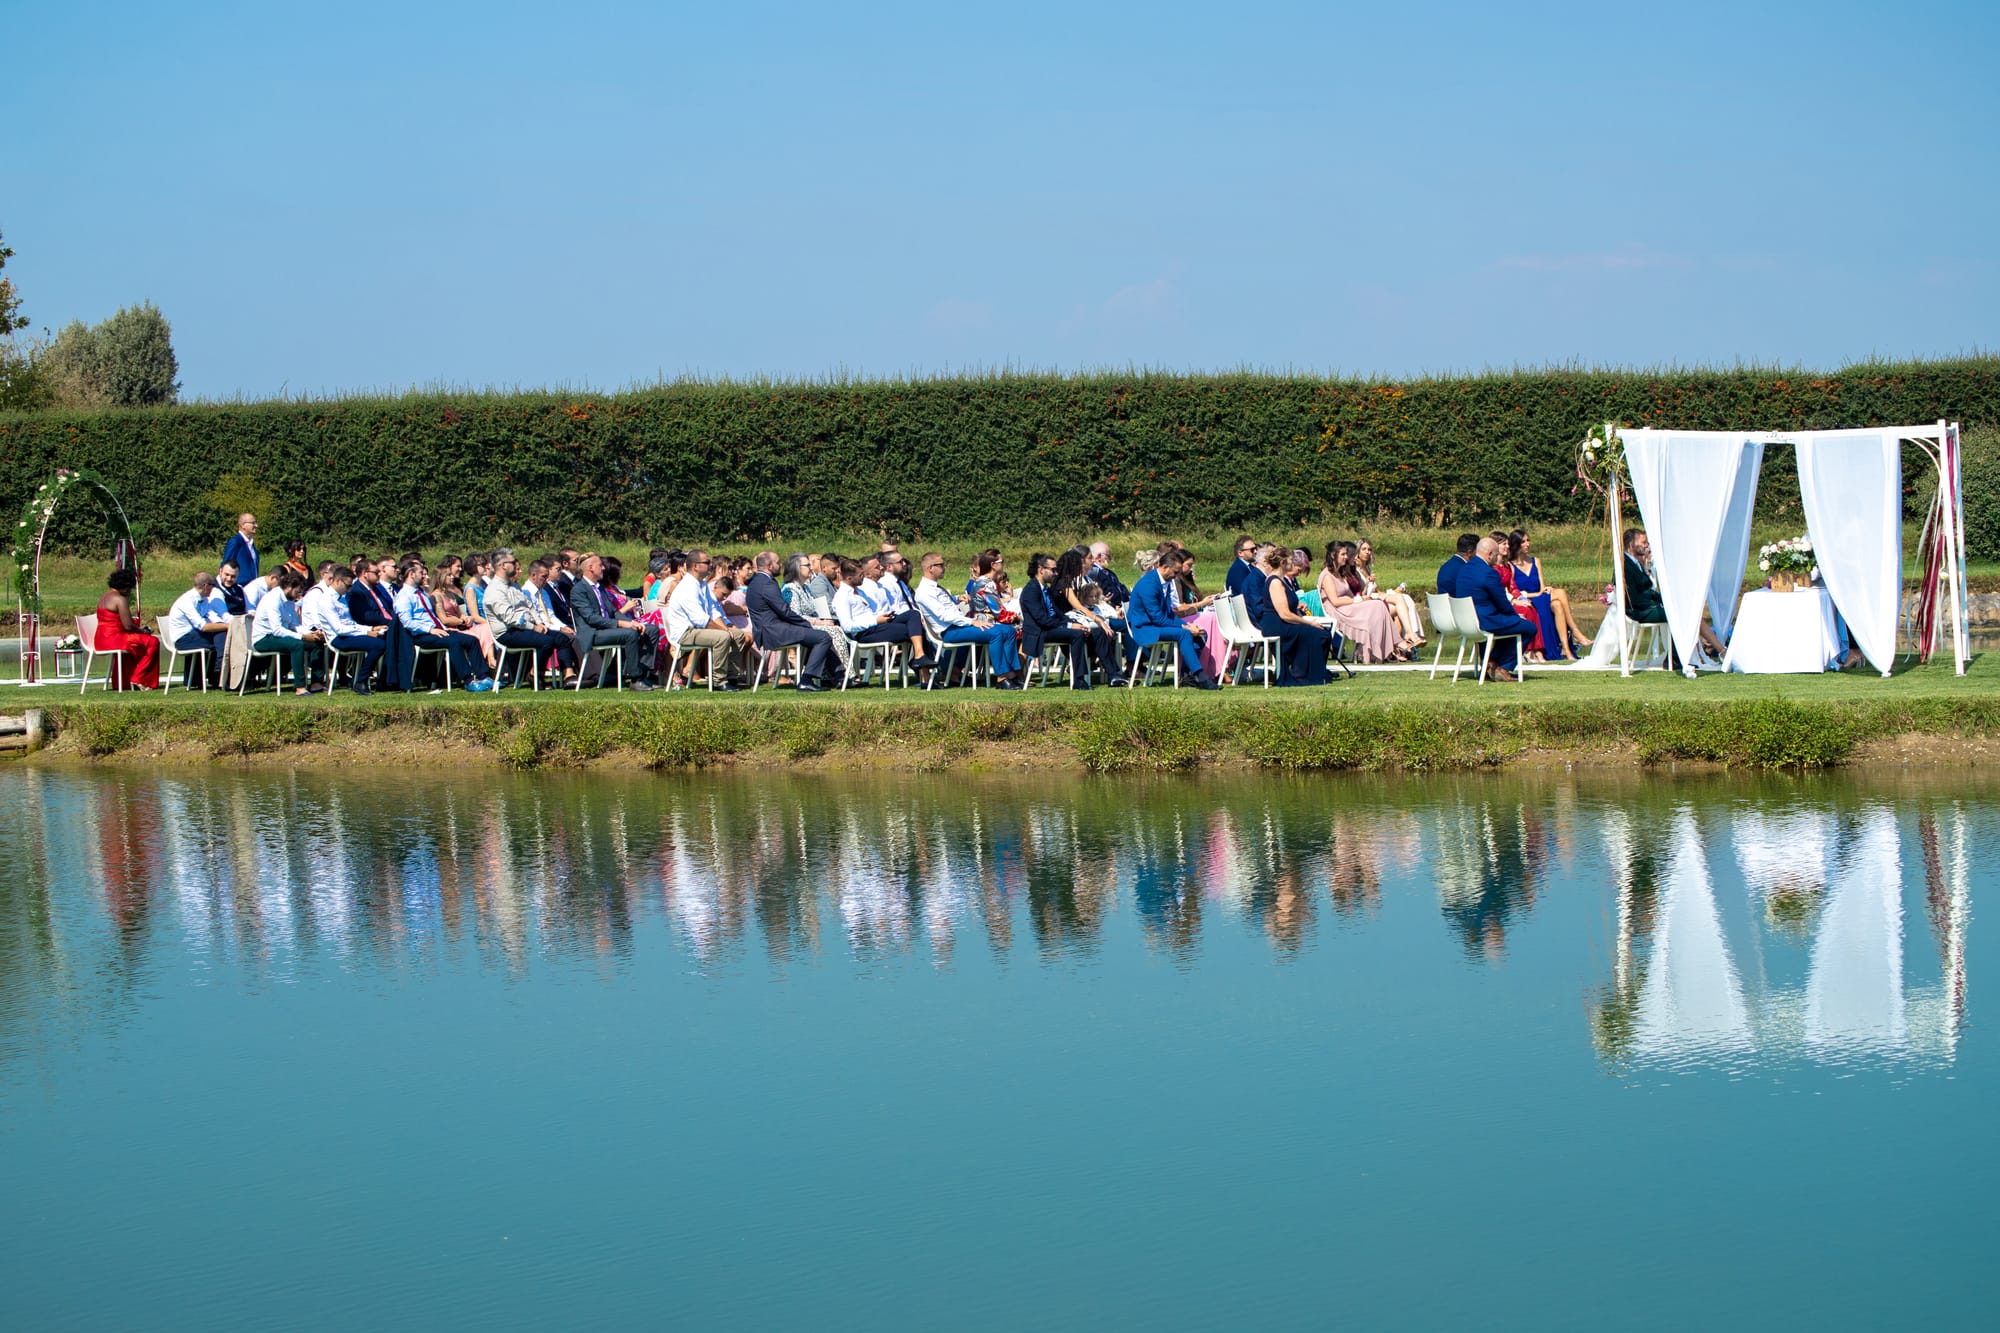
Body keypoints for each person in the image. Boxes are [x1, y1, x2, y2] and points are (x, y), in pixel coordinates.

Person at [914, 552, 1024, 688]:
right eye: (941, 565)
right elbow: (944, 616)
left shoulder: (933, 587)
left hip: (958, 626)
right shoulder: (925, 591)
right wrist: (971, 621)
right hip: (949, 630)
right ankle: (1001, 678)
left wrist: (956, 598)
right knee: (996, 633)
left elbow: (943, 605)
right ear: (930, 568)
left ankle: (1012, 674)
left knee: (1009, 630)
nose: (944, 567)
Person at [394, 560, 494, 691]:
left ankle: (484, 677)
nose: (424, 575)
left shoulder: (421, 593)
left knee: (472, 640)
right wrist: (430, 630)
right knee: (453, 643)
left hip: (439, 630)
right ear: (412, 574)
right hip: (422, 634)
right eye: (421, 573)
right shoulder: (403, 597)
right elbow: (407, 622)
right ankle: (468, 680)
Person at [1128, 548, 1219, 687]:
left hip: (1155, 625)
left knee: (1200, 633)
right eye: (1175, 572)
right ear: (1165, 567)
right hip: (1145, 628)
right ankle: (1200, 676)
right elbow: (1158, 618)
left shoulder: (1164, 582)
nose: (1177, 575)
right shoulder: (1148, 585)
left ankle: (1187, 675)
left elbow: (1169, 614)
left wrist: (1188, 626)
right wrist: (1184, 627)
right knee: (1184, 633)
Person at [744, 551, 835, 690]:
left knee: (817, 636)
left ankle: (832, 676)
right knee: (823, 637)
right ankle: (806, 680)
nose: (780, 565)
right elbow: (784, 611)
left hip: (770, 630)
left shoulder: (756, 581)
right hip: (774, 631)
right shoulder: (767, 584)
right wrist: (806, 624)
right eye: (778, 563)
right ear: (769, 566)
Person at [832, 557, 934, 680]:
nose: (864, 577)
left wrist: (882, 617)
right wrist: (875, 621)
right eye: (860, 575)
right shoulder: (842, 596)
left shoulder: (859, 592)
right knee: (914, 629)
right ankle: (923, 673)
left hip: (877, 624)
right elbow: (847, 626)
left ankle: (919, 656)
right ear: (849, 578)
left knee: (913, 615)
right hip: (865, 633)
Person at [486, 555, 581, 686]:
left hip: (522, 628)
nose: (517, 566)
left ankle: (569, 676)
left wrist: (539, 623)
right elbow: (510, 618)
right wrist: (533, 627)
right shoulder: (494, 590)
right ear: (503, 565)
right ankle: (535, 675)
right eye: (513, 562)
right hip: (507, 632)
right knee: (546, 642)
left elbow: (529, 606)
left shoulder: (513, 585)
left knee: (561, 638)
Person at [572, 552, 659, 689]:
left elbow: (613, 612)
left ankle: (644, 675)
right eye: (600, 565)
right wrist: (622, 624)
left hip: (608, 628)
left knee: (651, 630)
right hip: (594, 632)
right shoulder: (578, 590)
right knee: (630, 634)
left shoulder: (599, 588)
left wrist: (633, 623)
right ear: (590, 568)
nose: (603, 568)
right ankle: (635, 679)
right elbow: (591, 618)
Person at [664, 550, 748, 688]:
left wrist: (726, 628)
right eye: (707, 562)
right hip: (685, 633)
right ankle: (719, 680)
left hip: (697, 629)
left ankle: (732, 676)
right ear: (696, 566)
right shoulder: (687, 587)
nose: (711, 565)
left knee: (738, 635)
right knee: (722, 637)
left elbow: (713, 611)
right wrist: (723, 631)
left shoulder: (701, 584)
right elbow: (700, 619)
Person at [1249, 544, 1331, 686]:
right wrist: (1309, 622)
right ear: (1283, 563)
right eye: (1291, 561)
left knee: (1322, 633)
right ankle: (1303, 673)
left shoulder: (1282, 580)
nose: (1293, 564)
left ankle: (1308, 670)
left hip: (1283, 623)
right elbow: (1284, 614)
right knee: (1316, 634)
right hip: (1277, 625)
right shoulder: (1275, 582)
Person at [1461, 538, 1539, 682]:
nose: (1498, 558)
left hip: (1466, 621)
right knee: (1529, 627)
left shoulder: (1464, 569)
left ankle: (1492, 662)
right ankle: (1504, 667)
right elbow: (1502, 602)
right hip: (1485, 620)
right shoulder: (1489, 573)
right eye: (1496, 554)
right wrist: (1516, 617)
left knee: (1510, 626)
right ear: (1489, 554)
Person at [1016, 553, 1096, 689]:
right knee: (1076, 635)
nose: (1056, 573)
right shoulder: (1031, 590)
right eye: (1053, 570)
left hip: (1051, 628)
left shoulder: (1045, 589)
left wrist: (1077, 624)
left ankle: (1098, 672)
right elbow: (1042, 620)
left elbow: (1058, 613)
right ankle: (1079, 679)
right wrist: (1069, 626)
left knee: (1089, 632)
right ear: (1041, 570)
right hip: (1039, 632)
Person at [1508, 529, 1589, 661]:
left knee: (1557, 604)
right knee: (1560, 592)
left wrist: (1544, 591)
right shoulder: (1510, 566)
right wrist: (1537, 594)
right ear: (1516, 544)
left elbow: (1542, 586)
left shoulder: (1535, 561)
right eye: (1523, 542)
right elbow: (1513, 591)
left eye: (1528, 540)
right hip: (1527, 600)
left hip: (1540, 596)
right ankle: (1575, 631)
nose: (1528, 544)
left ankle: (1566, 649)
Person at [306, 565, 387, 694]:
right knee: (379, 645)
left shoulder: (342, 598)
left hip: (347, 635)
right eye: (348, 586)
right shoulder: (326, 601)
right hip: (338, 639)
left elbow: (351, 623)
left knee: (383, 638)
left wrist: (371, 628)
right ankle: (361, 681)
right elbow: (339, 629)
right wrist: (367, 632)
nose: (349, 589)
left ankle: (373, 680)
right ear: (338, 581)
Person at [1318, 541, 1402, 663]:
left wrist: (1363, 597)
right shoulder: (1327, 575)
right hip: (1338, 611)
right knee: (1376, 606)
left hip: (1348, 606)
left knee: (1378, 604)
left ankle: (1381, 650)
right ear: (1333, 555)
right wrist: (1357, 600)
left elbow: (1351, 595)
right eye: (1343, 554)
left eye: (1346, 554)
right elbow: (1335, 601)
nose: (1346, 557)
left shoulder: (1339, 573)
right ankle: (1383, 649)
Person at [1053, 546, 1124, 685]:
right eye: (1089, 558)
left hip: (1078, 620)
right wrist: (1100, 620)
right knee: (1102, 632)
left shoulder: (1079, 580)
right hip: (1067, 623)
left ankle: (1113, 674)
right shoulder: (1064, 582)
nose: (1092, 561)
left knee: (1103, 633)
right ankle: (1113, 673)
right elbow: (1077, 606)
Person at [250, 568, 325, 695]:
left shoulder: (289, 600)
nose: (299, 595)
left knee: (316, 643)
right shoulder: (273, 599)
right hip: (264, 638)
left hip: (278, 635)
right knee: (297, 645)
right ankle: (300, 686)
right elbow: (277, 630)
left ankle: (316, 683)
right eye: (297, 591)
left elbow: (294, 624)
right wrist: (302, 637)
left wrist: (311, 634)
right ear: (289, 587)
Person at [93, 566, 161, 690]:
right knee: (153, 642)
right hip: (114, 639)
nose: (130, 592)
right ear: (125, 586)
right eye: (130, 588)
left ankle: (126, 681)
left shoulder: (104, 597)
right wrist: (143, 631)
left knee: (138, 643)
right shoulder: (120, 599)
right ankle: (138, 678)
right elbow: (128, 626)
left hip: (101, 639)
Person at [346, 556, 404, 690]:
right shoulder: (356, 591)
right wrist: (390, 622)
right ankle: (386, 679)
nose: (379, 574)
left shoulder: (374, 589)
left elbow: (386, 609)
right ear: (365, 574)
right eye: (376, 572)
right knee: (393, 635)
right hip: (366, 627)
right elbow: (365, 615)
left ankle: (395, 677)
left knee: (401, 632)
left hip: (383, 624)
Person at [164, 571, 230, 688]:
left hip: (194, 634)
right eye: (212, 585)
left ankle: (218, 672)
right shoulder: (187, 601)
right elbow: (203, 626)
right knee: (221, 635)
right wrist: (227, 626)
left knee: (221, 633)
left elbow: (212, 616)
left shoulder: (204, 599)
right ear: (205, 586)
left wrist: (225, 624)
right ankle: (219, 672)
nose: (214, 588)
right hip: (183, 639)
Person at [1355, 539, 1424, 648]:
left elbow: (1375, 591)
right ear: (1357, 551)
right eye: (1364, 549)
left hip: (1375, 597)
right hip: (1367, 603)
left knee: (1404, 597)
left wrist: (1392, 592)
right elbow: (1360, 593)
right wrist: (1368, 582)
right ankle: (1409, 636)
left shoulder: (1367, 568)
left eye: (1369, 549)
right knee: (1400, 605)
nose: (1367, 552)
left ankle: (1410, 634)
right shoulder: (1355, 570)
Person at [221, 513, 260, 585]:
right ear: (243, 525)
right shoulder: (235, 542)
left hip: (251, 586)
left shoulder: (251, 544)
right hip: (239, 586)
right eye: (253, 523)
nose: (256, 525)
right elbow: (226, 564)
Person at [1437, 533, 1479, 597]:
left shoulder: (1445, 566)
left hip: (1442, 602)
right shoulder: (1465, 570)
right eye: (1478, 551)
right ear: (1470, 552)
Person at [1225, 535, 1262, 601]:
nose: (1255, 551)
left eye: (1255, 548)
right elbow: (1247, 594)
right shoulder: (1237, 571)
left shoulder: (1249, 566)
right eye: (1252, 550)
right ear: (1240, 553)